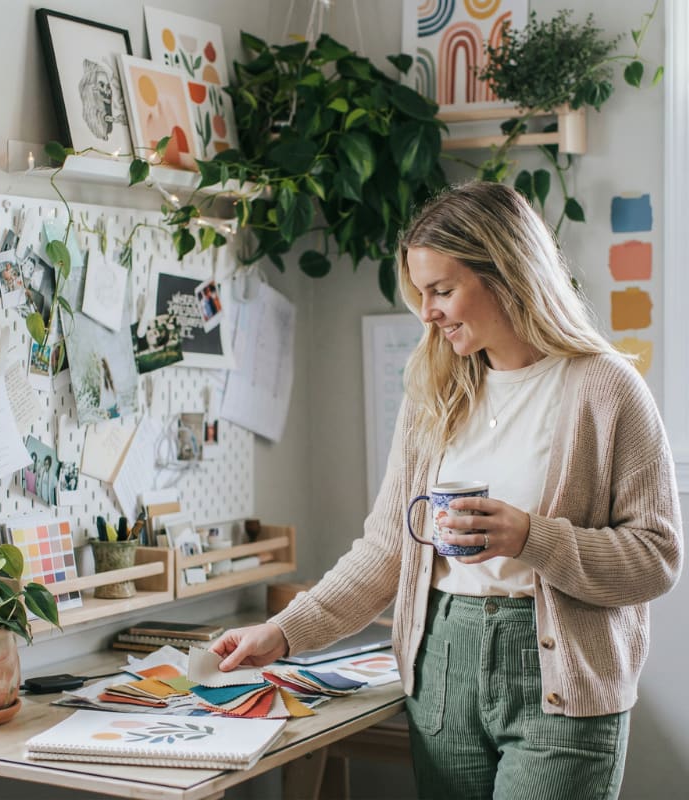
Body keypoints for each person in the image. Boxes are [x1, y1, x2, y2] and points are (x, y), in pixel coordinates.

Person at [210, 181, 683, 800]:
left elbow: (656, 558)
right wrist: (283, 632)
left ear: (506, 273)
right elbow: (387, 550)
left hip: (561, 687)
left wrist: (531, 538)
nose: (427, 313)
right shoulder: (434, 390)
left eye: (442, 290)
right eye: (421, 294)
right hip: (442, 671)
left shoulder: (606, 387)